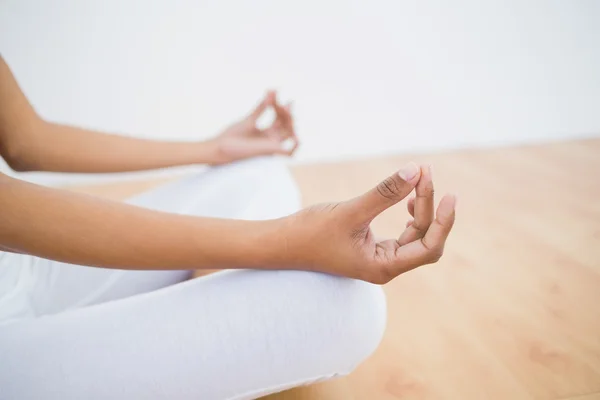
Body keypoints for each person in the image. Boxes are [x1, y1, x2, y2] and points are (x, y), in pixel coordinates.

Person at [0, 55, 456, 399]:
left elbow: (24, 140)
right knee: (352, 309)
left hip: (24, 271)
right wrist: (287, 240)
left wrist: (213, 149)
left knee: (259, 174)